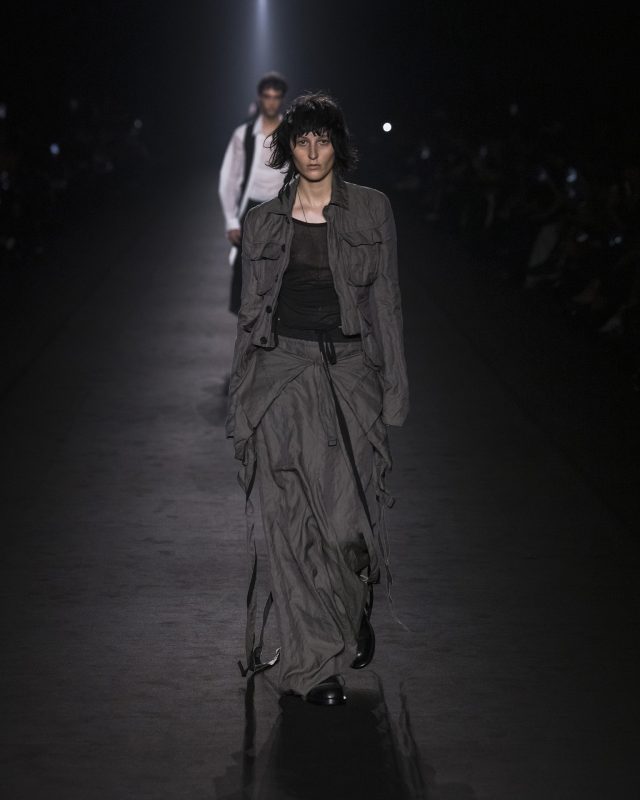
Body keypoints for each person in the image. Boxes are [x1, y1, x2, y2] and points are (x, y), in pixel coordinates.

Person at [226, 92, 409, 705]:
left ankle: (350, 611)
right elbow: (251, 320)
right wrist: (240, 402)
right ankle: (313, 667)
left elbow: (386, 304)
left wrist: (394, 389)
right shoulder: (261, 222)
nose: (311, 151)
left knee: (344, 529)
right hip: (282, 378)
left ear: (338, 145)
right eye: (300, 140)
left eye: (322, 140)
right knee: (290, 527)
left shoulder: (372, 212)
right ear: (287, 147)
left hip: (350, 377)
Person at [219, 71, 288, 314]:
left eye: (276, 97)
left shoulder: (291, 133)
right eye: (267, 96)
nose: (271, 101)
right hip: (251, 208)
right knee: (246, 270)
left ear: (281, 100)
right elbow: (230, 178)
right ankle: (248, 328)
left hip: (282, 209)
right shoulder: (244, 134)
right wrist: (231, 220)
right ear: (260, 98)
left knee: (282, 268)